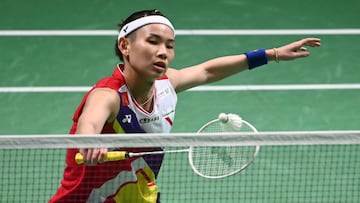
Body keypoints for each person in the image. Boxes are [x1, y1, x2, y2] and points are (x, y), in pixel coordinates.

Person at [49, 9, 320, 203]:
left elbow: (207, 71)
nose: (163, 52)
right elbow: (90, 121)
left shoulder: (168, 83)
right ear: (125, 45)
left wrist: (271, 55)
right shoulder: (108, 95)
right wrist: (90, 141)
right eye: (152, 42)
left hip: (138, 193)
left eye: (169, 45)